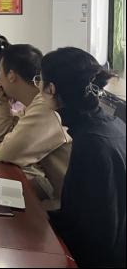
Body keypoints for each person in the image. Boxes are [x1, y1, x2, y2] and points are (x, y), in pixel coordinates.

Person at [42, 47, 125, 268]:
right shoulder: (112, 125)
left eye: (39, 81)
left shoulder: (90, 142)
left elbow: (86, 231)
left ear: (51, 89)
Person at [0, 44, 72, 209]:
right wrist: (2, 103)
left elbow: (8, 152)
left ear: (11, 76)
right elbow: (2, 135)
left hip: (63, 204)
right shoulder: (35, 101)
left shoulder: (45, 105)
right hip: (52, 188)